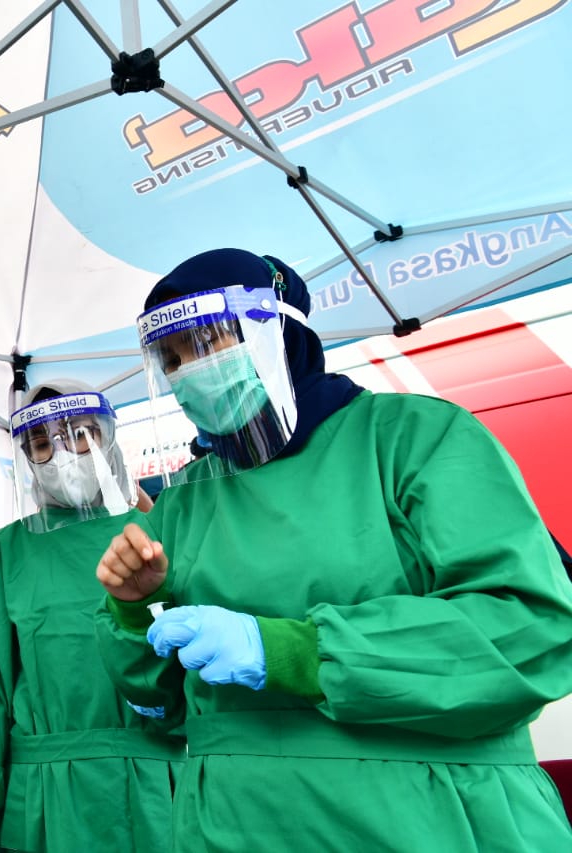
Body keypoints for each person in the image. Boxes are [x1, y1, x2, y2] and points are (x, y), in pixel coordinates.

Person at [95, 248, 572, 851]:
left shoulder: (415, 437)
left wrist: (295, 652)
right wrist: (141, 609)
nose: (190, 371)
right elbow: (159, 704)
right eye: (171, 359)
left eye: (211, 342)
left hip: (425, 817)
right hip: (234, 824)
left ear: (282, 330)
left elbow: (528, 628)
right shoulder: (183, 500)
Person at [0, 380, 183, 852]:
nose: (63, 453)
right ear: (27, 462)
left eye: (79, 434)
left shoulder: (158, 535)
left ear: (108, 438)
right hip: (43, 798)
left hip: (159, 784)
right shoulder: (2, 555)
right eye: (41, 444)